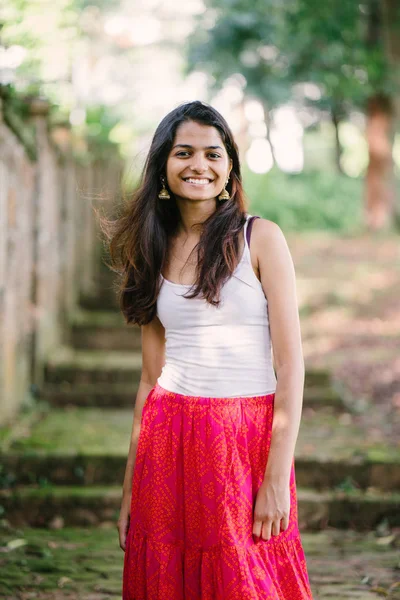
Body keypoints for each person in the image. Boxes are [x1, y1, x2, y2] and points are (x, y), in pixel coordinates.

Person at [109, 100, 314, 599]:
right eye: (184, 153)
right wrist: (129, 488)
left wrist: (275, 480)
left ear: (229, 170)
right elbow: (148, 378)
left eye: (212, 154)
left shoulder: (259, 238)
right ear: (163, 166)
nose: (198, 165)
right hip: (169, 433)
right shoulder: (150, 247)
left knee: (246, 580)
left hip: (243, 436)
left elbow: (290, 366)